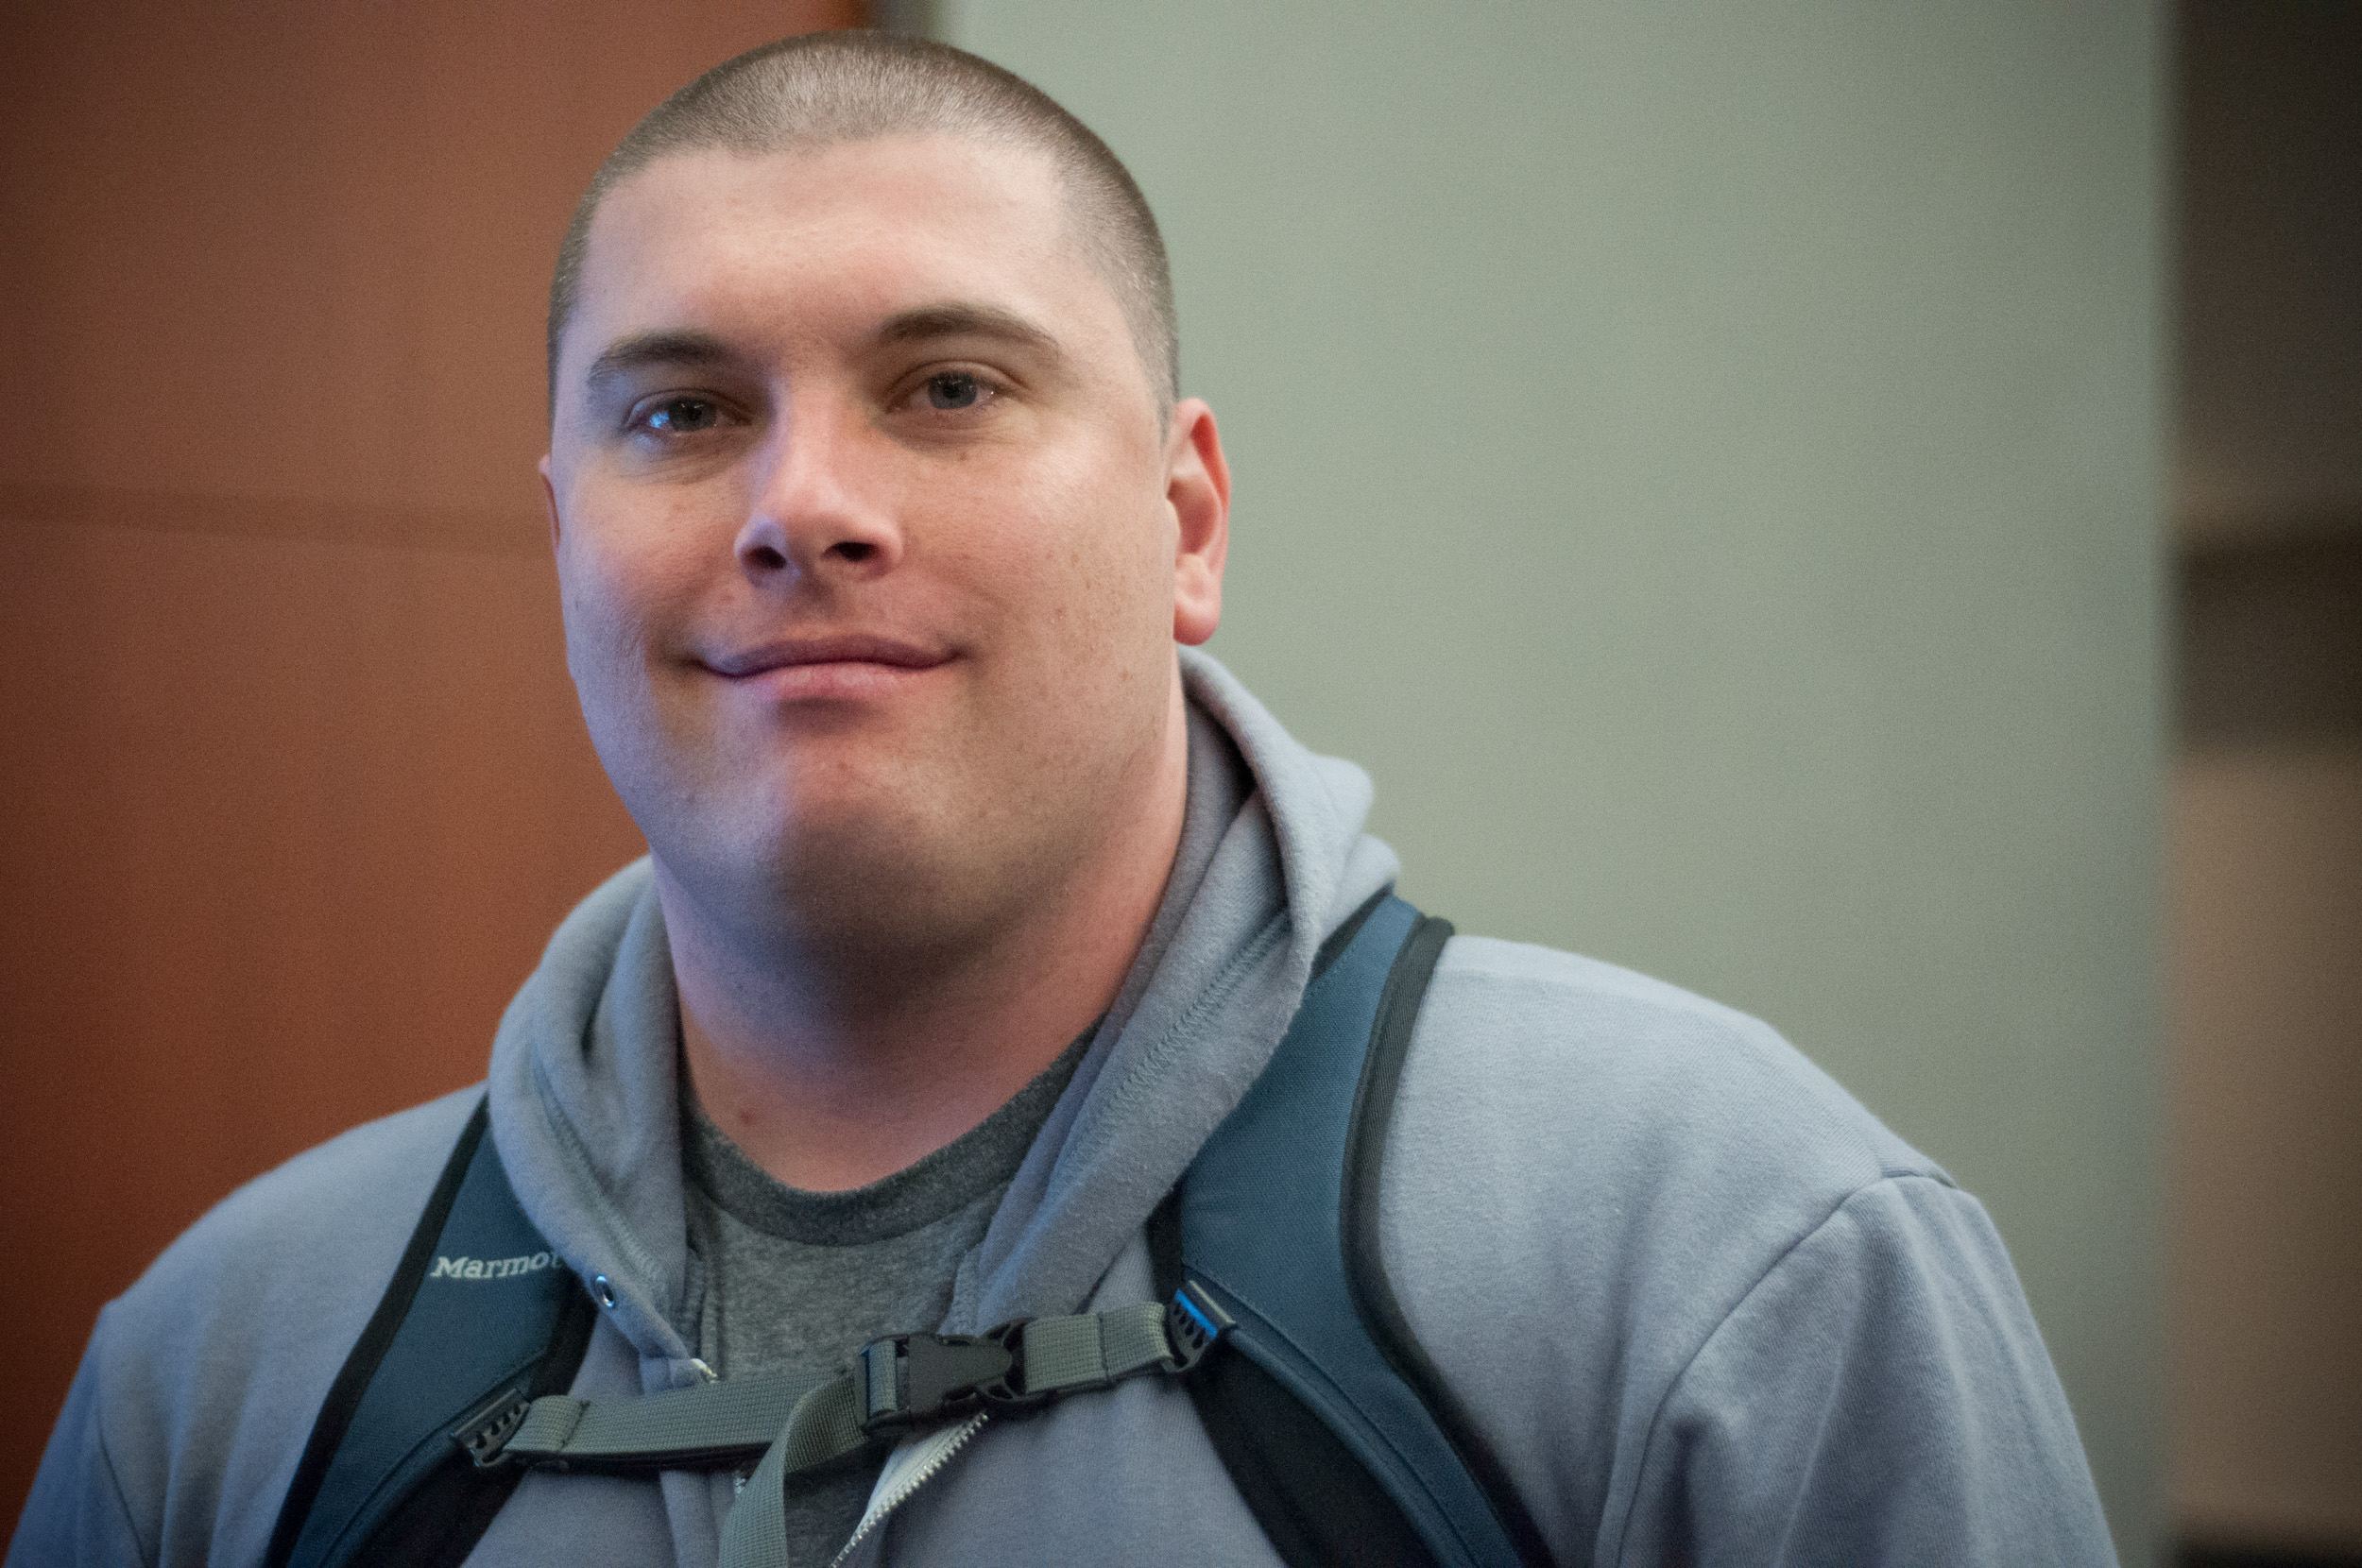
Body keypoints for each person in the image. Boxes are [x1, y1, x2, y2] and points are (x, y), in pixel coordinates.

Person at [9, 31, 2116, 1568]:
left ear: (1185, 521)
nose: (801, 505)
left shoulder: (1722, 1253)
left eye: (946, 387)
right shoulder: (224, 1363)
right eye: (684, 410)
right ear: (566, 532)